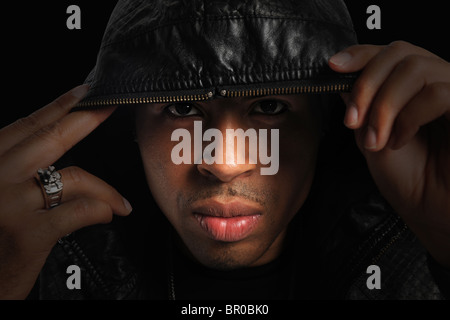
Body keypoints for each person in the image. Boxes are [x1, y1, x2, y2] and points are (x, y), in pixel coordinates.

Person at [0, 0, 449, 300]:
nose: (224, 163)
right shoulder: (32, 260)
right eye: (182, 107)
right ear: (131, 124)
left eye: (269, 106)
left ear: (325, 121)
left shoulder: (427, 241)